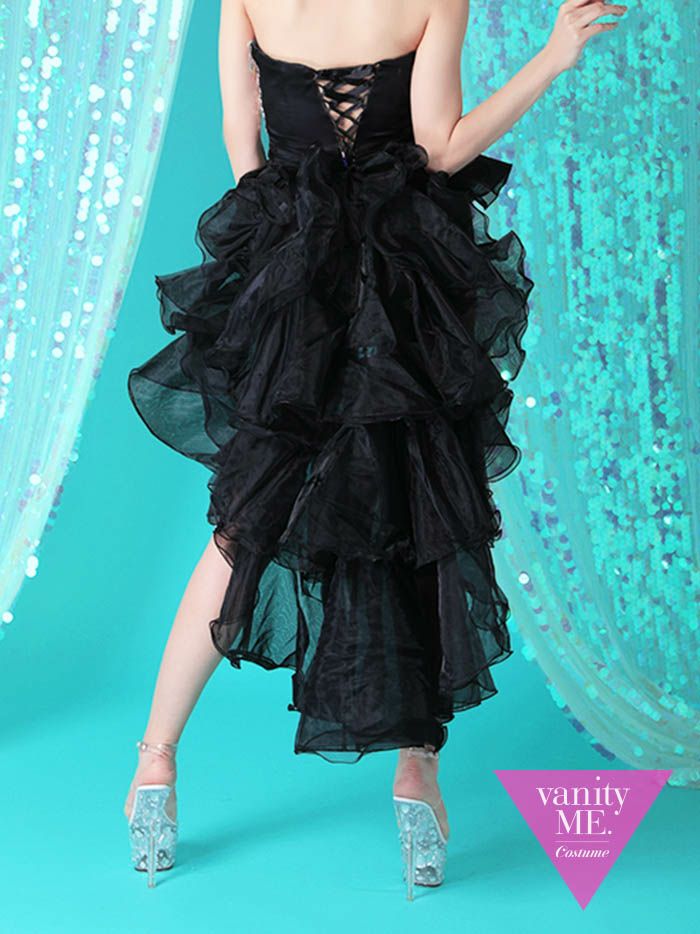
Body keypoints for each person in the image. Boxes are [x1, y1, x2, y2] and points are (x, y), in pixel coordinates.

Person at [123, 0, 628, 895]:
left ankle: (154, 765)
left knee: (244, 527)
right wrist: (552, 57)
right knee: (415, 516)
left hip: (292, 277)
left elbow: (244, 144)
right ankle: (416, 774)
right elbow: (439, 148)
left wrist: (286, 250)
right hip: (401, 284)